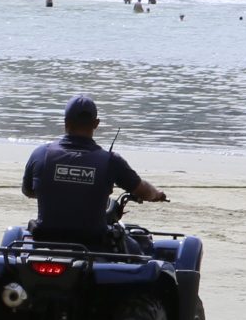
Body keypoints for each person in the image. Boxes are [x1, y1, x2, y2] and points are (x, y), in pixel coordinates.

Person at [22, 95, 165, 247]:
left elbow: (28, 191)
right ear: (96, 124)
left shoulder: (41, 154)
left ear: (65, 121)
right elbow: (142, 190)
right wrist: (156, 194)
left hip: (45, 238)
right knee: (138, 248)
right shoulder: (111, 161)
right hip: (92, 242)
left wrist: (58, 188)